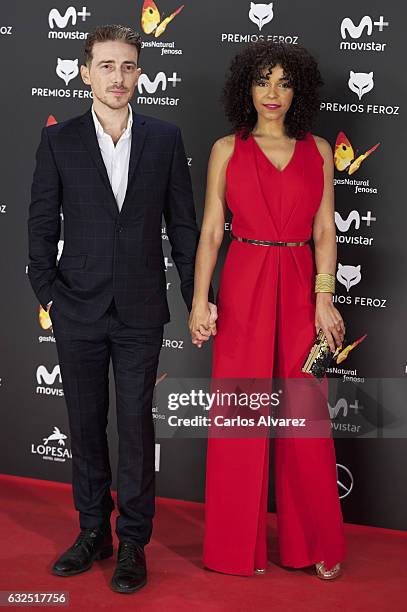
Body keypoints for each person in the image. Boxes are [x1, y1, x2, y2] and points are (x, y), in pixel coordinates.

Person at [27, 24, 215, 594]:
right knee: (85, 428)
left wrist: (196, 298)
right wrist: (49, 295)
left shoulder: (164, 138)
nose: (118, 76)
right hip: (75, 309)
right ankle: (93, 533)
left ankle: (133, 540)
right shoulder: (59, 141)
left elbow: (184, 227)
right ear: (86, 73)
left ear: (140, 74)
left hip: (139, 311)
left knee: (135, 426)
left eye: (128, 65)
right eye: (107, 65)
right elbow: (39, 224)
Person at [188, 41, 346, 580]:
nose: (272, 93)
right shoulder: (226, 150)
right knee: (240, 415)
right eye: (262, 81)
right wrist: (199, 300)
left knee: (305, 418)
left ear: (297, 89)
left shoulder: (319, 149)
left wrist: (324, 300)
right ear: (246, 89)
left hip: (302, 284)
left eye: (283, 82)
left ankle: (316, 544)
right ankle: (235, 548)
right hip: (245, 280)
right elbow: (211, 232)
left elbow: (325, 230)